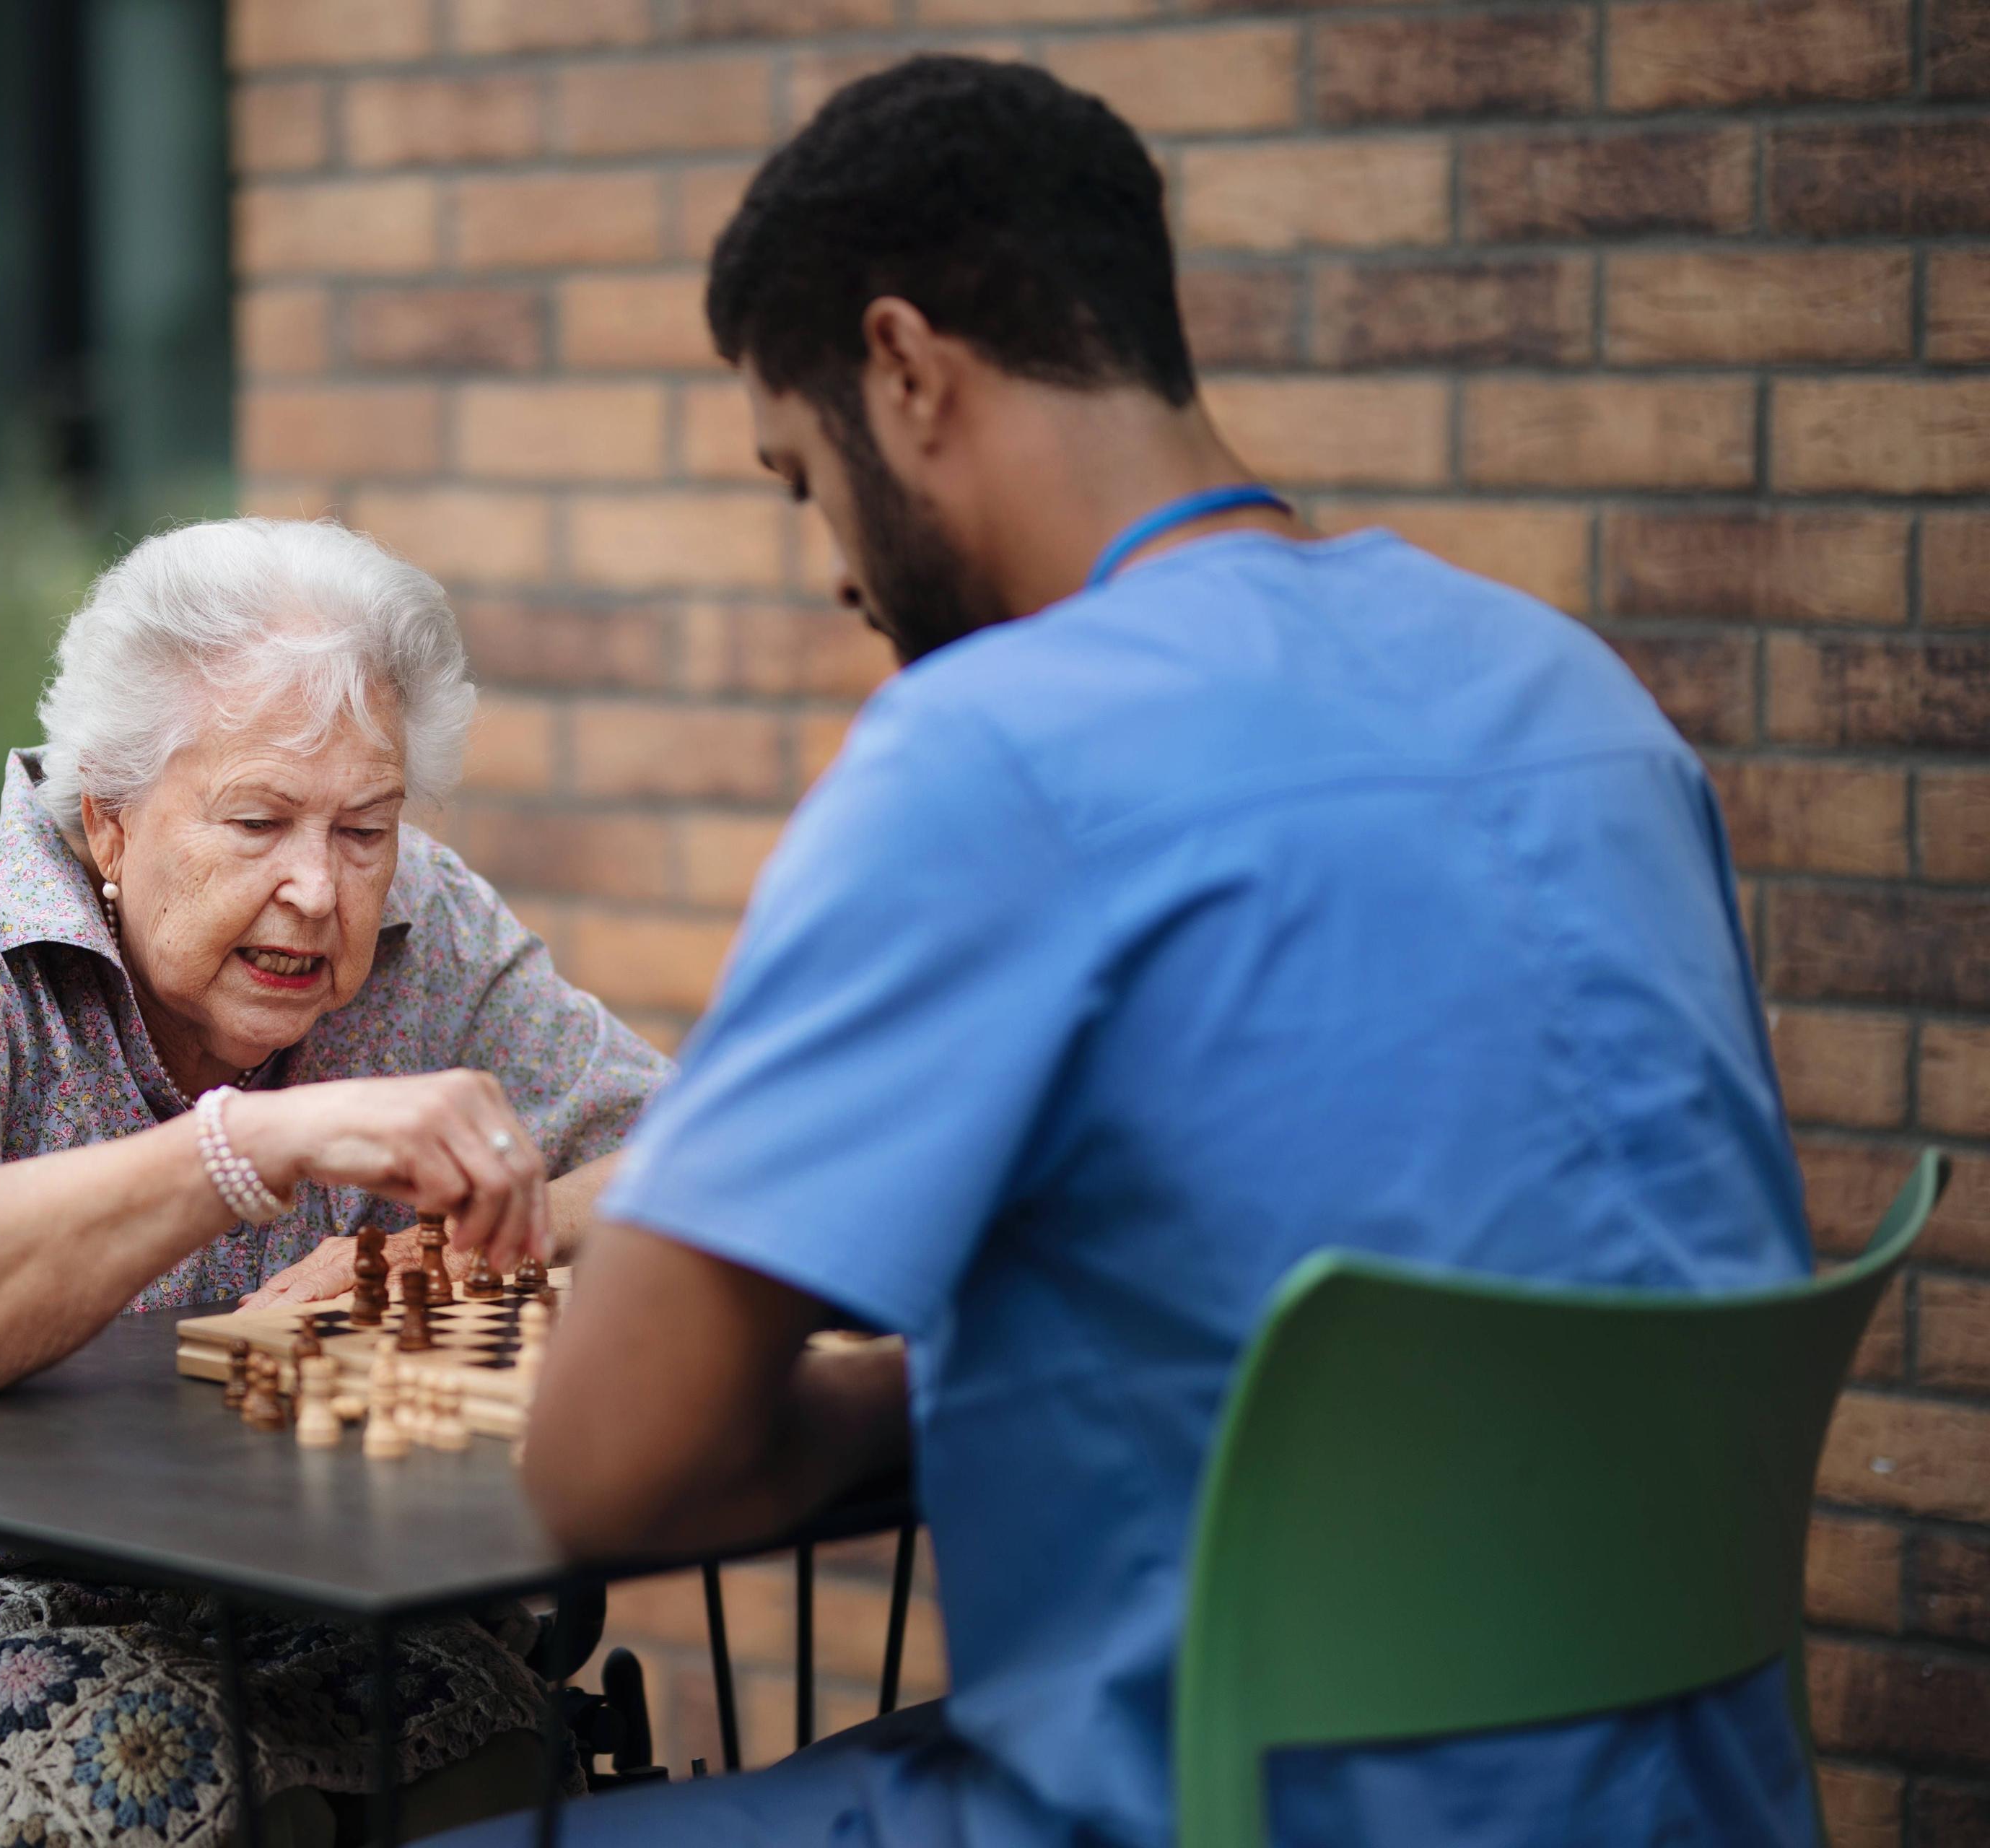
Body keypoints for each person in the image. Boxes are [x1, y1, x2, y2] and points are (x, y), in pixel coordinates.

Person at [461, 56, 1818, 1848]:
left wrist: (907, 1397)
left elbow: (606, 1462)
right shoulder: (1579, 695)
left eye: (805, 485)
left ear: (906, 367)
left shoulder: (995, 749)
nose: (841, 577)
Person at [0, 516, 667, 1845]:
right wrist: (242, 1150)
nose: (317, 890)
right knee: (212, 1801)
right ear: (110, 819)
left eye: (362, 829)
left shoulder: (430, 926)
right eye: (257, 820)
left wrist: (456, 1253)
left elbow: (710, 1156)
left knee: (506, 1775)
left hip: (250, 1581)